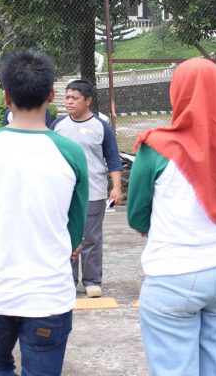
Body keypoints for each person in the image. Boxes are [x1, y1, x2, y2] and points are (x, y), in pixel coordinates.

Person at [127, 58, 216, 376]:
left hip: (172, 272)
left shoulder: (155, 147)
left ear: (178, 93)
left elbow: (136, 215)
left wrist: (151, 225)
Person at [0, 49, 88, 376]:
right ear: (51, 95)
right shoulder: (70, 152)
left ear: (6, 97)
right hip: (49, 295)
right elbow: (76, 226)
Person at [51, 79, 122, 298]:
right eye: (67, 97)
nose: (69, 102)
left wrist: (116, 187)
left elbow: (113, 158)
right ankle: (67, 280)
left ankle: (92, 280)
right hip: (63, 192)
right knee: (66, 236)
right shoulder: (58, 125)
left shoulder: (101, 127)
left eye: (75, 98)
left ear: (88, 101)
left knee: (91, 238)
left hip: (94, 191)